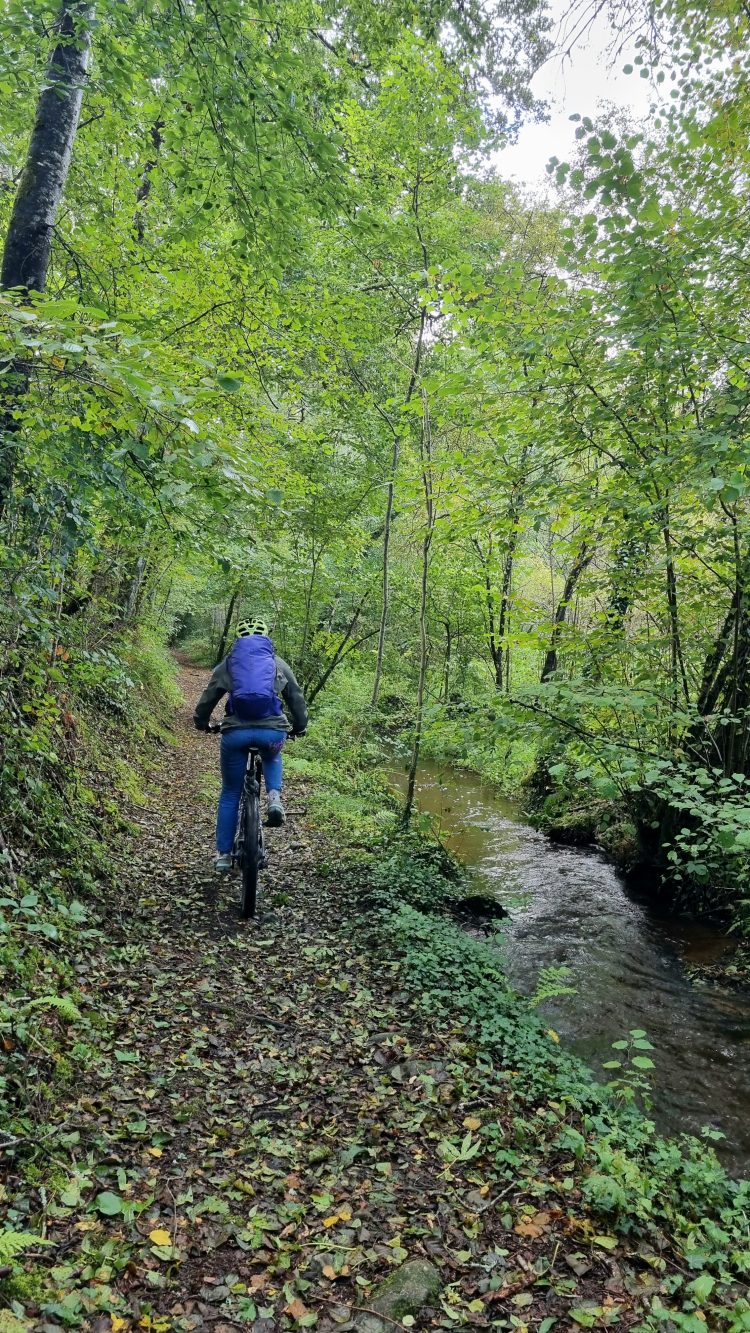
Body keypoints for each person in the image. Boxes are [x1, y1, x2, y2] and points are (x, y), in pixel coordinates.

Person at [193, 617, 308, 872]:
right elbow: (296, 698)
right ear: (266, 637)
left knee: (231, 793)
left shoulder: (229, 664)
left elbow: (208, 697)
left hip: (235, 735)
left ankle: (223, 855)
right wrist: (300, 726)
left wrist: (202, 722)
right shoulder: (277, 663)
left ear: (239, 638)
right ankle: (275, 797)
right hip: (272, 734)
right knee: (272, 755)